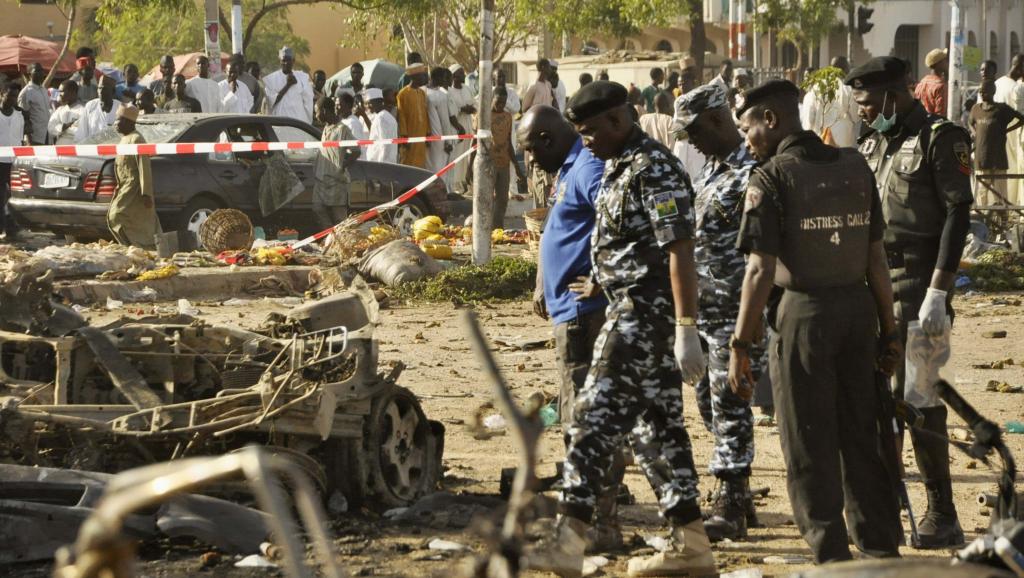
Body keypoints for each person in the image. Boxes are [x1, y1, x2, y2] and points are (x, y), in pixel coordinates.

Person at [525, 81, 712, 578]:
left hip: (642, 317)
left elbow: (679, 250)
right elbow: (624, 242)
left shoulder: (653, 169)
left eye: (590, 131)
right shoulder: (618, 163)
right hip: (627, 307)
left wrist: (686, 328)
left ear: (618, 120)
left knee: (588, 416)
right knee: (658, 431)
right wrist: (602, 276)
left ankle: (568, 541)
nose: (585, 141)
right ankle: (691, 545)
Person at [729, 79, 903, 564]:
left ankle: (831, 553)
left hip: (804, 317)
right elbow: (876, 259)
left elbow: (759, 270)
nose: (747, 142)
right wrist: (889, 331)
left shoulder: (770, 178)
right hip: (859, 314)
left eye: (747, 129)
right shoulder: (855, 166)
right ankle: (879, 548)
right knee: (862, 433)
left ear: (771, 120)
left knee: (807, 439)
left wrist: (739, 346)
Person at [848, 56, 973, 550]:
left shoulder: (940, 138)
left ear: (892, 96)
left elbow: (958, 213)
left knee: (922, 402)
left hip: (922, 283)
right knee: (879, 401)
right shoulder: (872, 142)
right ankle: (885, 511)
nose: (861, 111)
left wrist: (940, 289)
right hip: (875, 283)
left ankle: (942, 512)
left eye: (866, 102)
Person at [518, 104, 624, 551]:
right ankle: (590, 512)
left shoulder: (588, 168)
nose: (529, 160)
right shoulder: (568, 169)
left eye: (530, 150)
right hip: (568, 310)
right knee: (573, 411)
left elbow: (619, 223)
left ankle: (596, 521)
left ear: (547, 139)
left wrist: (600, 276)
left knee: (584, 418)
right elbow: (559, 231)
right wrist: (544, 281)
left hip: (586, 313)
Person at [673, 81, 763, 542]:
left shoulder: (754, 172)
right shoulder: (711, 170)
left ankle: (729, 500)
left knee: (730, 404)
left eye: (693, 132)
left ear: (715, 119)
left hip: (737, 312)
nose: (690, 142)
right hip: (706, 312)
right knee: (709, 406)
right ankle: (740, 493)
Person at [106, 105, 161, 250]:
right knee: (115, 217)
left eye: (118, 120)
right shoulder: (124, 139)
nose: (115, 124)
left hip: (135, 188)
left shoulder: (137, 139)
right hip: (125, 187)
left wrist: (146, 193)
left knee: (118, 215)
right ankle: (130, 247)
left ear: (128, 122)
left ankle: (141, 247)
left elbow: (144, 167)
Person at [970, 78, 1024, 208]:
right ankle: (982, 219)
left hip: (998, 160)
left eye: (985, 91)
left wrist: (1007, 130)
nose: (982, 94)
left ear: (993, 92)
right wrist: (974, 132)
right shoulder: (976, 109)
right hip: (981, 160)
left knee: (1001, 198)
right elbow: (970, 122)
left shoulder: (1002, 109)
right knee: (981, 197)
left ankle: (1003, 218)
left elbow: (1021, 119)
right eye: (980, 92)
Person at [313, 96, 359, 231]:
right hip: (321, 181)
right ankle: (331, 238)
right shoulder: (326, 127)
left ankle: (343, 241)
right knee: (317, 209)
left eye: (317, 112)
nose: (316, 116)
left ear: (324, 111)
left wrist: (342, 165)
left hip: (336, 181)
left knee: (340, 219)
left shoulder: (342, 129)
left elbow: (356, 150)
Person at [482, 88, 525, 228]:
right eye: (498, 102)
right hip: (488, 164)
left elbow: (508, 143)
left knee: (502, 199)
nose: (501, 105)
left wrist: (517, 167)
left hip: (504, 163)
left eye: (503, 102)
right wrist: (470, 167)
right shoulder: (484, 116)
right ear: (492, 99)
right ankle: (486, 227)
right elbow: (476, 142)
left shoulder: (508, 117)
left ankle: (498, 227)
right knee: (487, 198)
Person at [801, 56, 861, 147]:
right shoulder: (848, 89)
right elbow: (856, 117)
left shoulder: (815, 89)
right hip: (843, 146)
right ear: (845, 69)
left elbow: (809, 120)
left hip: (820, 144)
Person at [995, 54, 1024, 205]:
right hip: (1014, 139)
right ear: (1020, 68)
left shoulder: (996, 84)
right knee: (1015, 173)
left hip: (997, 138)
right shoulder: (1017, 88)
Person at [0, 83, 25, 239]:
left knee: (15, 195)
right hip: (0, 162)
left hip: (14, 162)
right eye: (9, 95)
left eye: (15, 96)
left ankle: (11, 226)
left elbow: (20, 140)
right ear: (2, 95)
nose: (13, 99)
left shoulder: (19, 116)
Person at [264, 47, 314, 123]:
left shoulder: (302, 78)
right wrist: (288, 85)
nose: (286, 63)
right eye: (283, 60)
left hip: (298, 123)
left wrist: (307, 120)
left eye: (288, 60)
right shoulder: (271, 80)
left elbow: (308, 101)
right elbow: (270, 102)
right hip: (280, 123)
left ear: (293, 61)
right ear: (280, 61)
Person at [424, 66, 456, 179]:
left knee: (426, 168)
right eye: (443, 78)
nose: (444, 81)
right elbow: (445, 122)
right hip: (437, 137)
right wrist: (448, 142)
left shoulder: (422, 91)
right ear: (436, 78)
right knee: (438, 170)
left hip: (424, 136)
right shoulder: (440, 96)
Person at [448, 64, 476, 192]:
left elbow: (475, 104)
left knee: (468, 155)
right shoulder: (449, 91)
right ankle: (456, 185)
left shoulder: (467, 89)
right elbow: (451, 110)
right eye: (460, 73)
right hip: (457, 127)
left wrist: (471, 109)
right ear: (454, 76)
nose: (464, 75)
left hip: (469, 125)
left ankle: (467, 181)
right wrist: (461, 109)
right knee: (458, 156)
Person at [397, 63, 429, 168]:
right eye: (422, 75)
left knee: (420, 164)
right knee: (408, 164)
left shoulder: (422, 93)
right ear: (414, 77)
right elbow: (401, 116)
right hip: (409, 136)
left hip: (422, 135)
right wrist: (404, 137)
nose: (424, 78)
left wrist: (428, 132)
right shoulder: (402, 94)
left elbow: (425, 114)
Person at [76, 75, 122, 142]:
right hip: (93, 146)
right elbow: (82, 131)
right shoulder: (90, 106)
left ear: (113, 91)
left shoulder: (120, 107)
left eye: (105, 89)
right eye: (99, 88)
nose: (101, 92)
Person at [18, 63, 50, 145]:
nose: (41, 73)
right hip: (34, 137)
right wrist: (29, 140)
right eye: (37, 71)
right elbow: (22, 117)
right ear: (29, 74)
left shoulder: (44, 90)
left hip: (47, 134)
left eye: (42, 70)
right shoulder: (26, 92)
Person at [365, 88, 397, 164]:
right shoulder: (385, 116)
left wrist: (381, 164)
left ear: (379, 102)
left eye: (370, 103)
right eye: (366, 103)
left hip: (380, 163)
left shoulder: (381, 118)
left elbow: (384, 144)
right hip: (387, 162)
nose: (368, 106)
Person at [915, 48, 948, 117]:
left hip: (920, 121)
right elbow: (941, 115)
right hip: (934, 122)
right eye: (945, 60)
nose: (947, 63)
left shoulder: (922, 83)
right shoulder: (940, 86)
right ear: (939, 64)